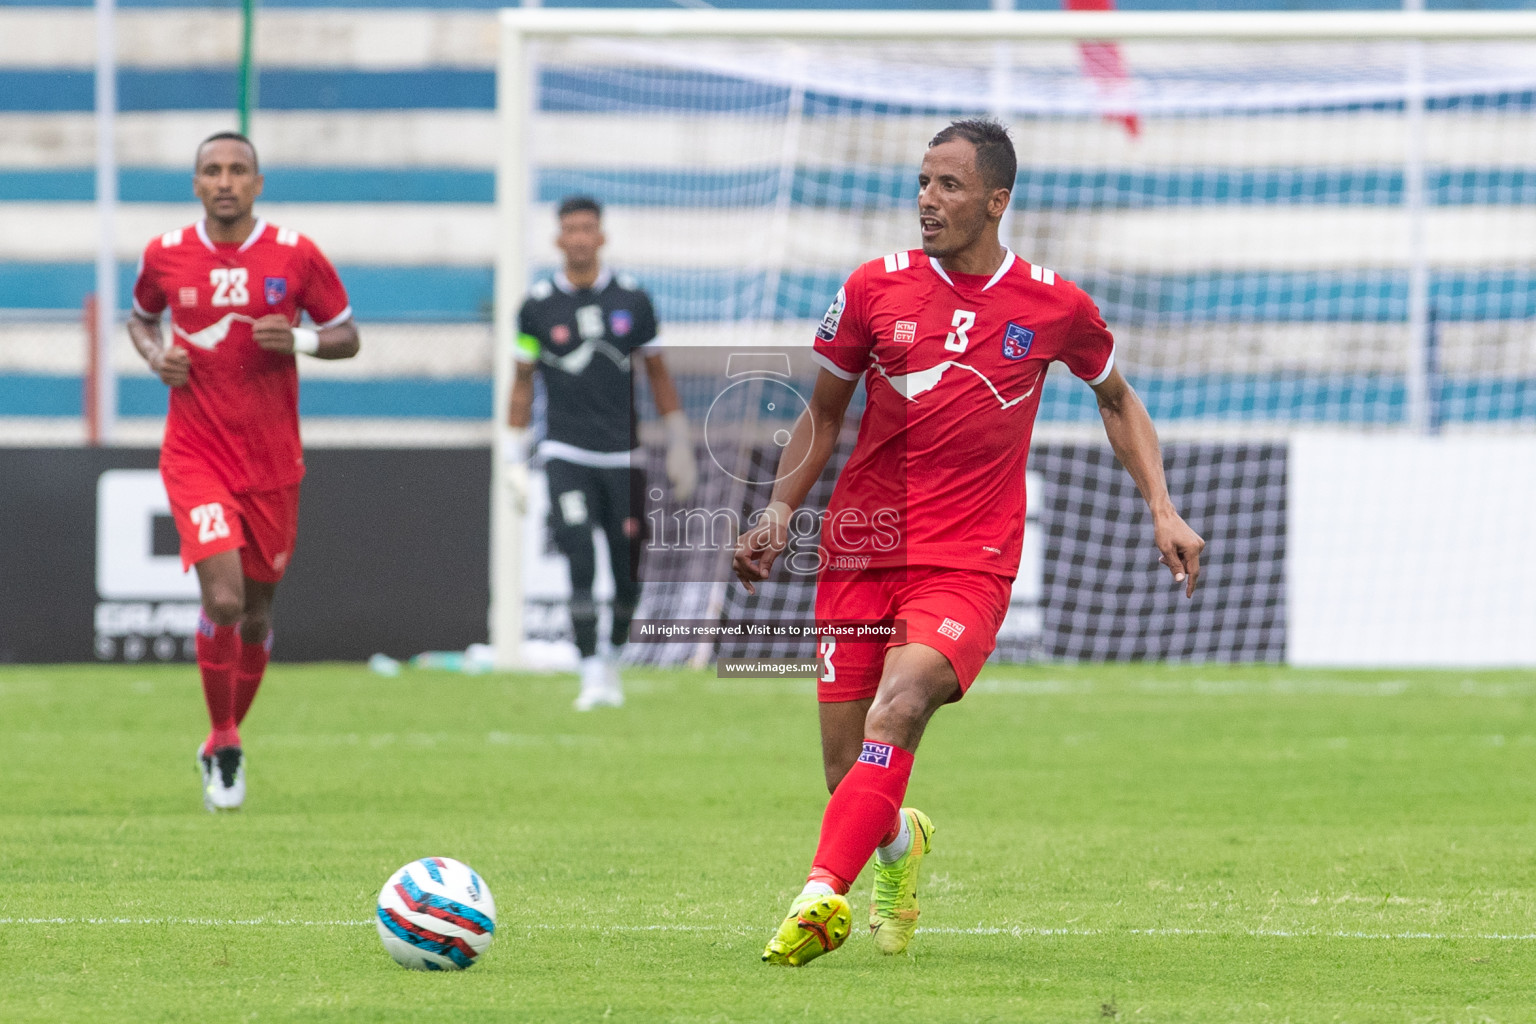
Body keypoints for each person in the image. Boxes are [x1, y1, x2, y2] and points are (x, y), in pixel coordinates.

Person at [733, 119, 1205, 966]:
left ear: (997, 200)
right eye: (922, 182)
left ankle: (816, 898)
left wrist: (1162, 508)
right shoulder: (873, 289)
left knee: (902, 704)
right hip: (860, 552)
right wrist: (777, 512)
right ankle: (896, 847)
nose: (927, 199)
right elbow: (826, 414)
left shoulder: (1055, 305)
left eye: (949, 185)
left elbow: (1118, 400)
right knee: (852, 781)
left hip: (967, 562)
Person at [128, 131, 359, 812]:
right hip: (195, 453)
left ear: (257, 183)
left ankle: (220, 737)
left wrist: (304, 340)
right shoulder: (165, 255)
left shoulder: (297, 253)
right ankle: (225, 743)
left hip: (272, 463)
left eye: (237, 170)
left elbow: (347, 333)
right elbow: (141, 319)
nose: (224, 180)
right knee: (223, 601)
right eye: (211, 170)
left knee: (256, 616)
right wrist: (153, 355)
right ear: (195, 183)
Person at [506, 195, 697, 711]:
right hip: (565, 450)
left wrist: (678, 441)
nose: (580, 237)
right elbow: (523, 381)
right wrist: (513, 456)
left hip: (625, 456)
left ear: (601, 236)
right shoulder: (537, 307)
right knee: (579, 557)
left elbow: (656, 372)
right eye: (571, 229)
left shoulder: (633, 301)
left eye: (588, 228)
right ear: (559, 239)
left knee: (628, 571)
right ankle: (590, 670)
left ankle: (611, 657)